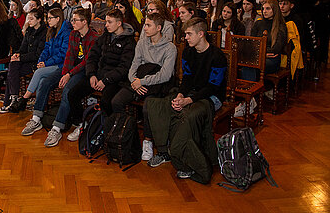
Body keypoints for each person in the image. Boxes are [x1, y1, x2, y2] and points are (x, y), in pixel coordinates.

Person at [145, 18, 227, 183]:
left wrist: (189, 100)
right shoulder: (188, 52)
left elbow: (212, 87)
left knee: (188, 116)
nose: (186, 38)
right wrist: (181, 95)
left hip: (212, 97)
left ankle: (194, 163)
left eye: (189, 34)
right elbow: (187, 79)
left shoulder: (217, 56)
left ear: (201, 34)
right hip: (191, 93)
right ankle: (163, 151)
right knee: (154, 105)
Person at [43, 9, 135, 147]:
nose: (106, 25)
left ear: (119, 23)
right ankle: (82, 124)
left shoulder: (129, 42)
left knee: (106, 101)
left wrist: (106, 81)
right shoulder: (105, 37)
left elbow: (124, 68)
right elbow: (92, 57)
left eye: (109, 22)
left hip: (114, 80)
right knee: (73, 93)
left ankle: (106, 131)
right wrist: (91, 75)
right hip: (98, 75)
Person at [20, 8, 98, 146]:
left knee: (67, 90)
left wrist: (68, 75)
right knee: (44, 82)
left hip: (83, 71)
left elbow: (87, 62)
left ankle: (57, 128)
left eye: (75, 20)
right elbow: (69, 55)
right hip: (68, 69)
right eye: (72, 19)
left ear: (84, 22)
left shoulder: (93, 37)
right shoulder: (74, 34)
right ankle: (36, 118)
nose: (72, 22)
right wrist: (64, 73)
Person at [128, 13, 177, 161]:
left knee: (147, 107)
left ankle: (147, 141)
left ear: (159, 28)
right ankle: (126, 137)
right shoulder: (142, 43)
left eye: (148, 25)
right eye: (145, 25)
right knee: (118, 99)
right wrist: (134, 81)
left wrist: (141, 82)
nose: (145, 28)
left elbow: (165, 75)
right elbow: (134, 65)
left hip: (159, 86)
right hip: (139, 83)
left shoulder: (170, 48)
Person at [5, 8, 72, 113]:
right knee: (13, 68)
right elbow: (45, 49)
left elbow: (62, 54)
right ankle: (22, 104)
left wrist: (44, 63)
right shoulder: (51, 31)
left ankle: (24, 99)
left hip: (60, 64)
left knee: (38, 72)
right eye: (48, 18)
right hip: (48, 62)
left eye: (50, 18)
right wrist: (41, 61)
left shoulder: (66, 33)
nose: (48, 20)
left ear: (58, 19)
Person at [0, 8, 47, 112]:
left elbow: (38, 54)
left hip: (37, 63)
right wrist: (17, 54)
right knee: (12, 67)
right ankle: (13, 99)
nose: (28, 21)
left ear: (39, 20)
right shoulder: (29, 30)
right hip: (26, 60)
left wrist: (20, 57)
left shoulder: (44, 32)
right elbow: (23, 48)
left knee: (12, 72)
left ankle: (9, 102)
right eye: (28, 19)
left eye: (31, 19)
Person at [250, 0, 288, 75]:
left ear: (275, 10)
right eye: (263, 8)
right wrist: (262, 53)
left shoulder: (281, 26)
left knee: (253, 66)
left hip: (272, 59)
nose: (264, 11)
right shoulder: (258, 23)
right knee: (245, 64)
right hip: (258, 56)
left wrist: (261, 52)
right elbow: (252, 43)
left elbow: (276, 49)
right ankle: (250, 86)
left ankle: (256, 86)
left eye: (268, 9)